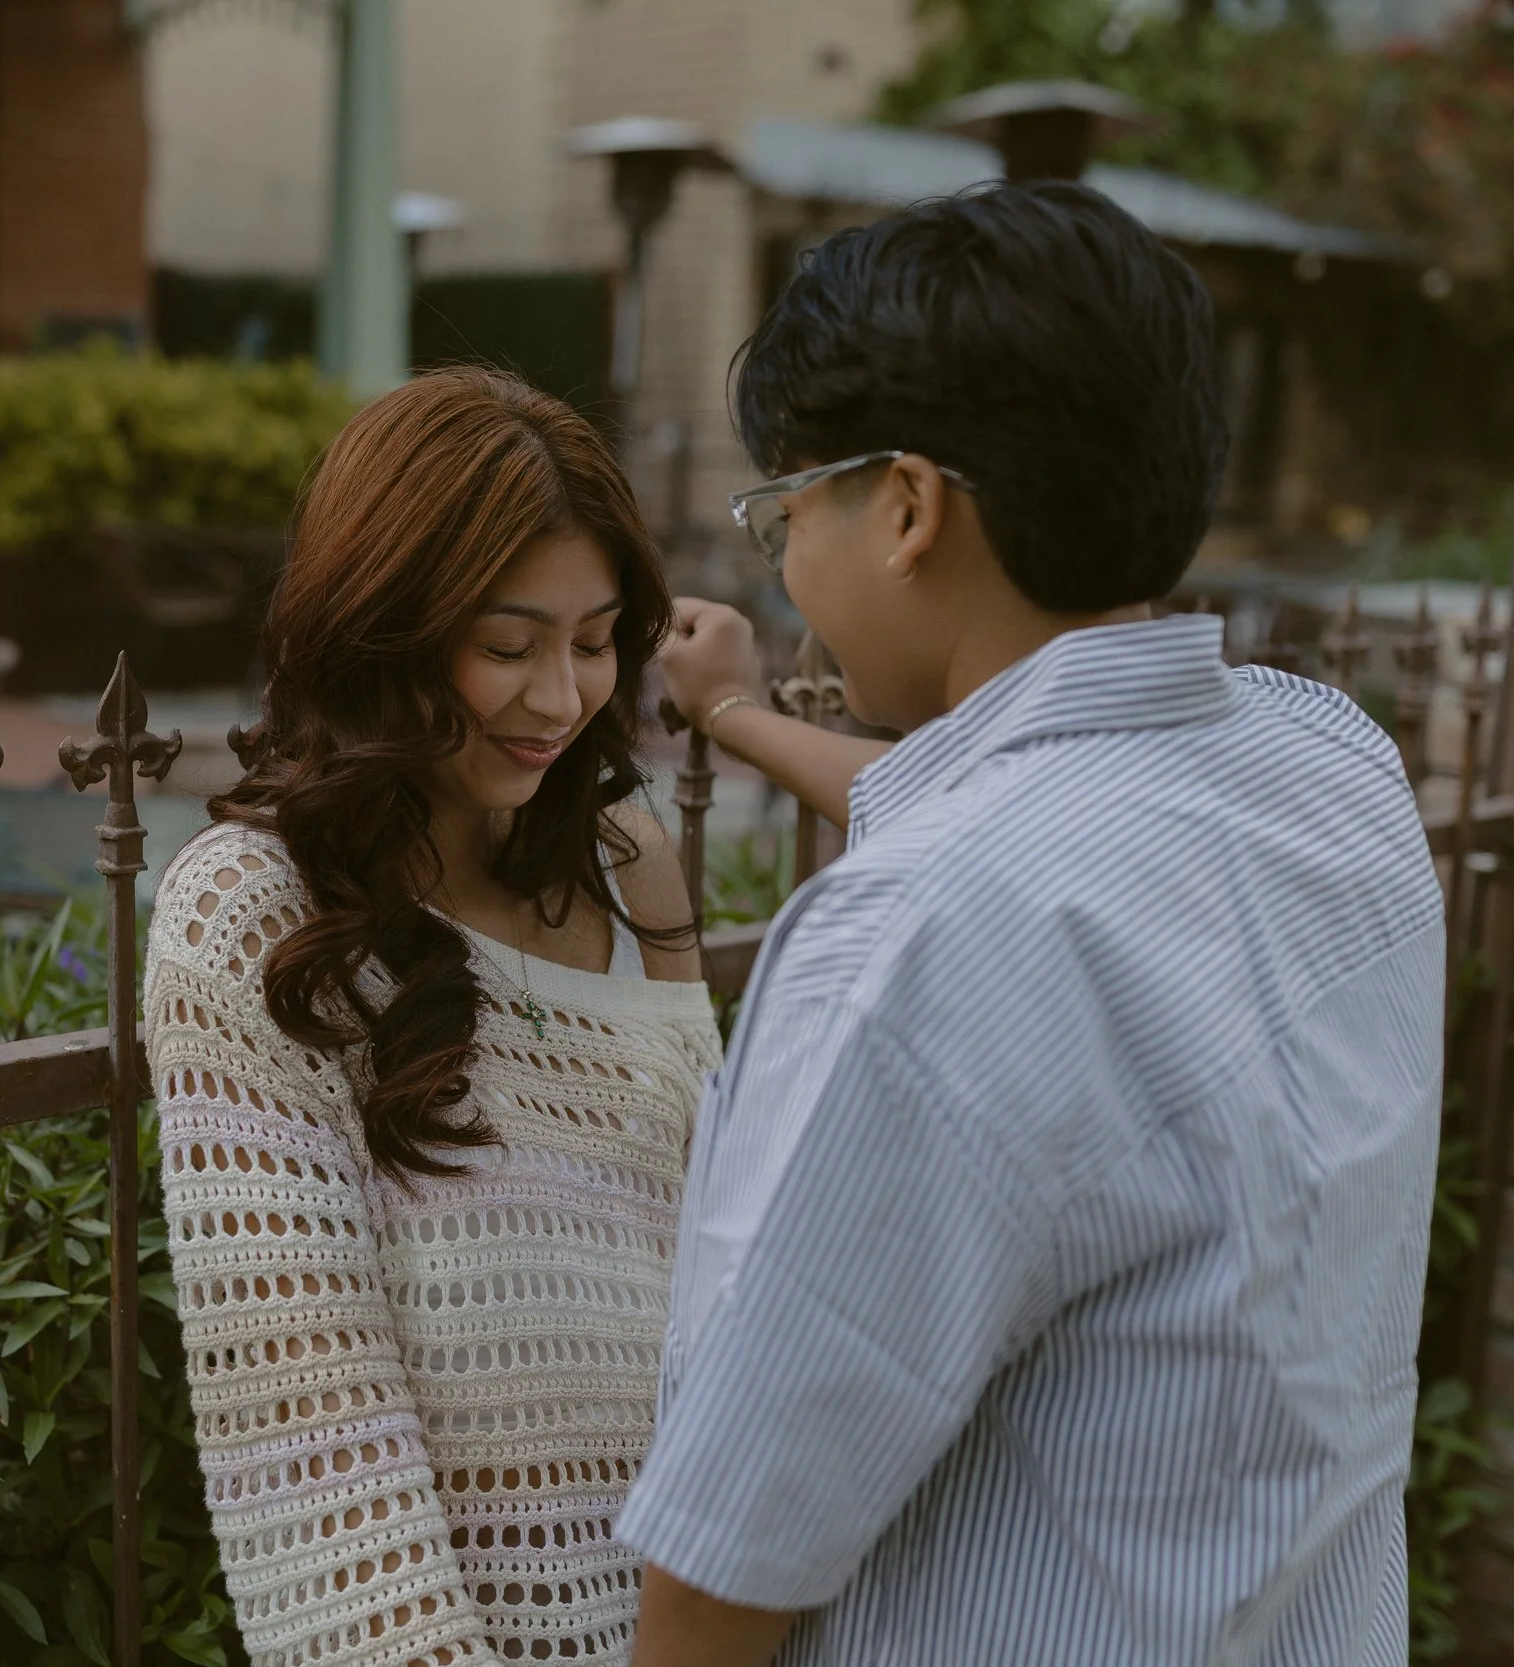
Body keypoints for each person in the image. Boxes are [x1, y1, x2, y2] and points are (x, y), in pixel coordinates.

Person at [625, 182, 1445, 1667]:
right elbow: (1005, 802)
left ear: (909, 507)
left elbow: (724, 1566)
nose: (785, 562)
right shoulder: (1325, 762)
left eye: (788, 511)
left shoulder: (921, 934)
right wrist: (736, 714)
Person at [145, 367, 724, 1667]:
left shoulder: (631, 867)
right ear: (380, 631)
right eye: (507, 646)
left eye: (595, 641)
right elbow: (315, 1453)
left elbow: (722, 1292)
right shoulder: (252, 914)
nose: (559, 699)